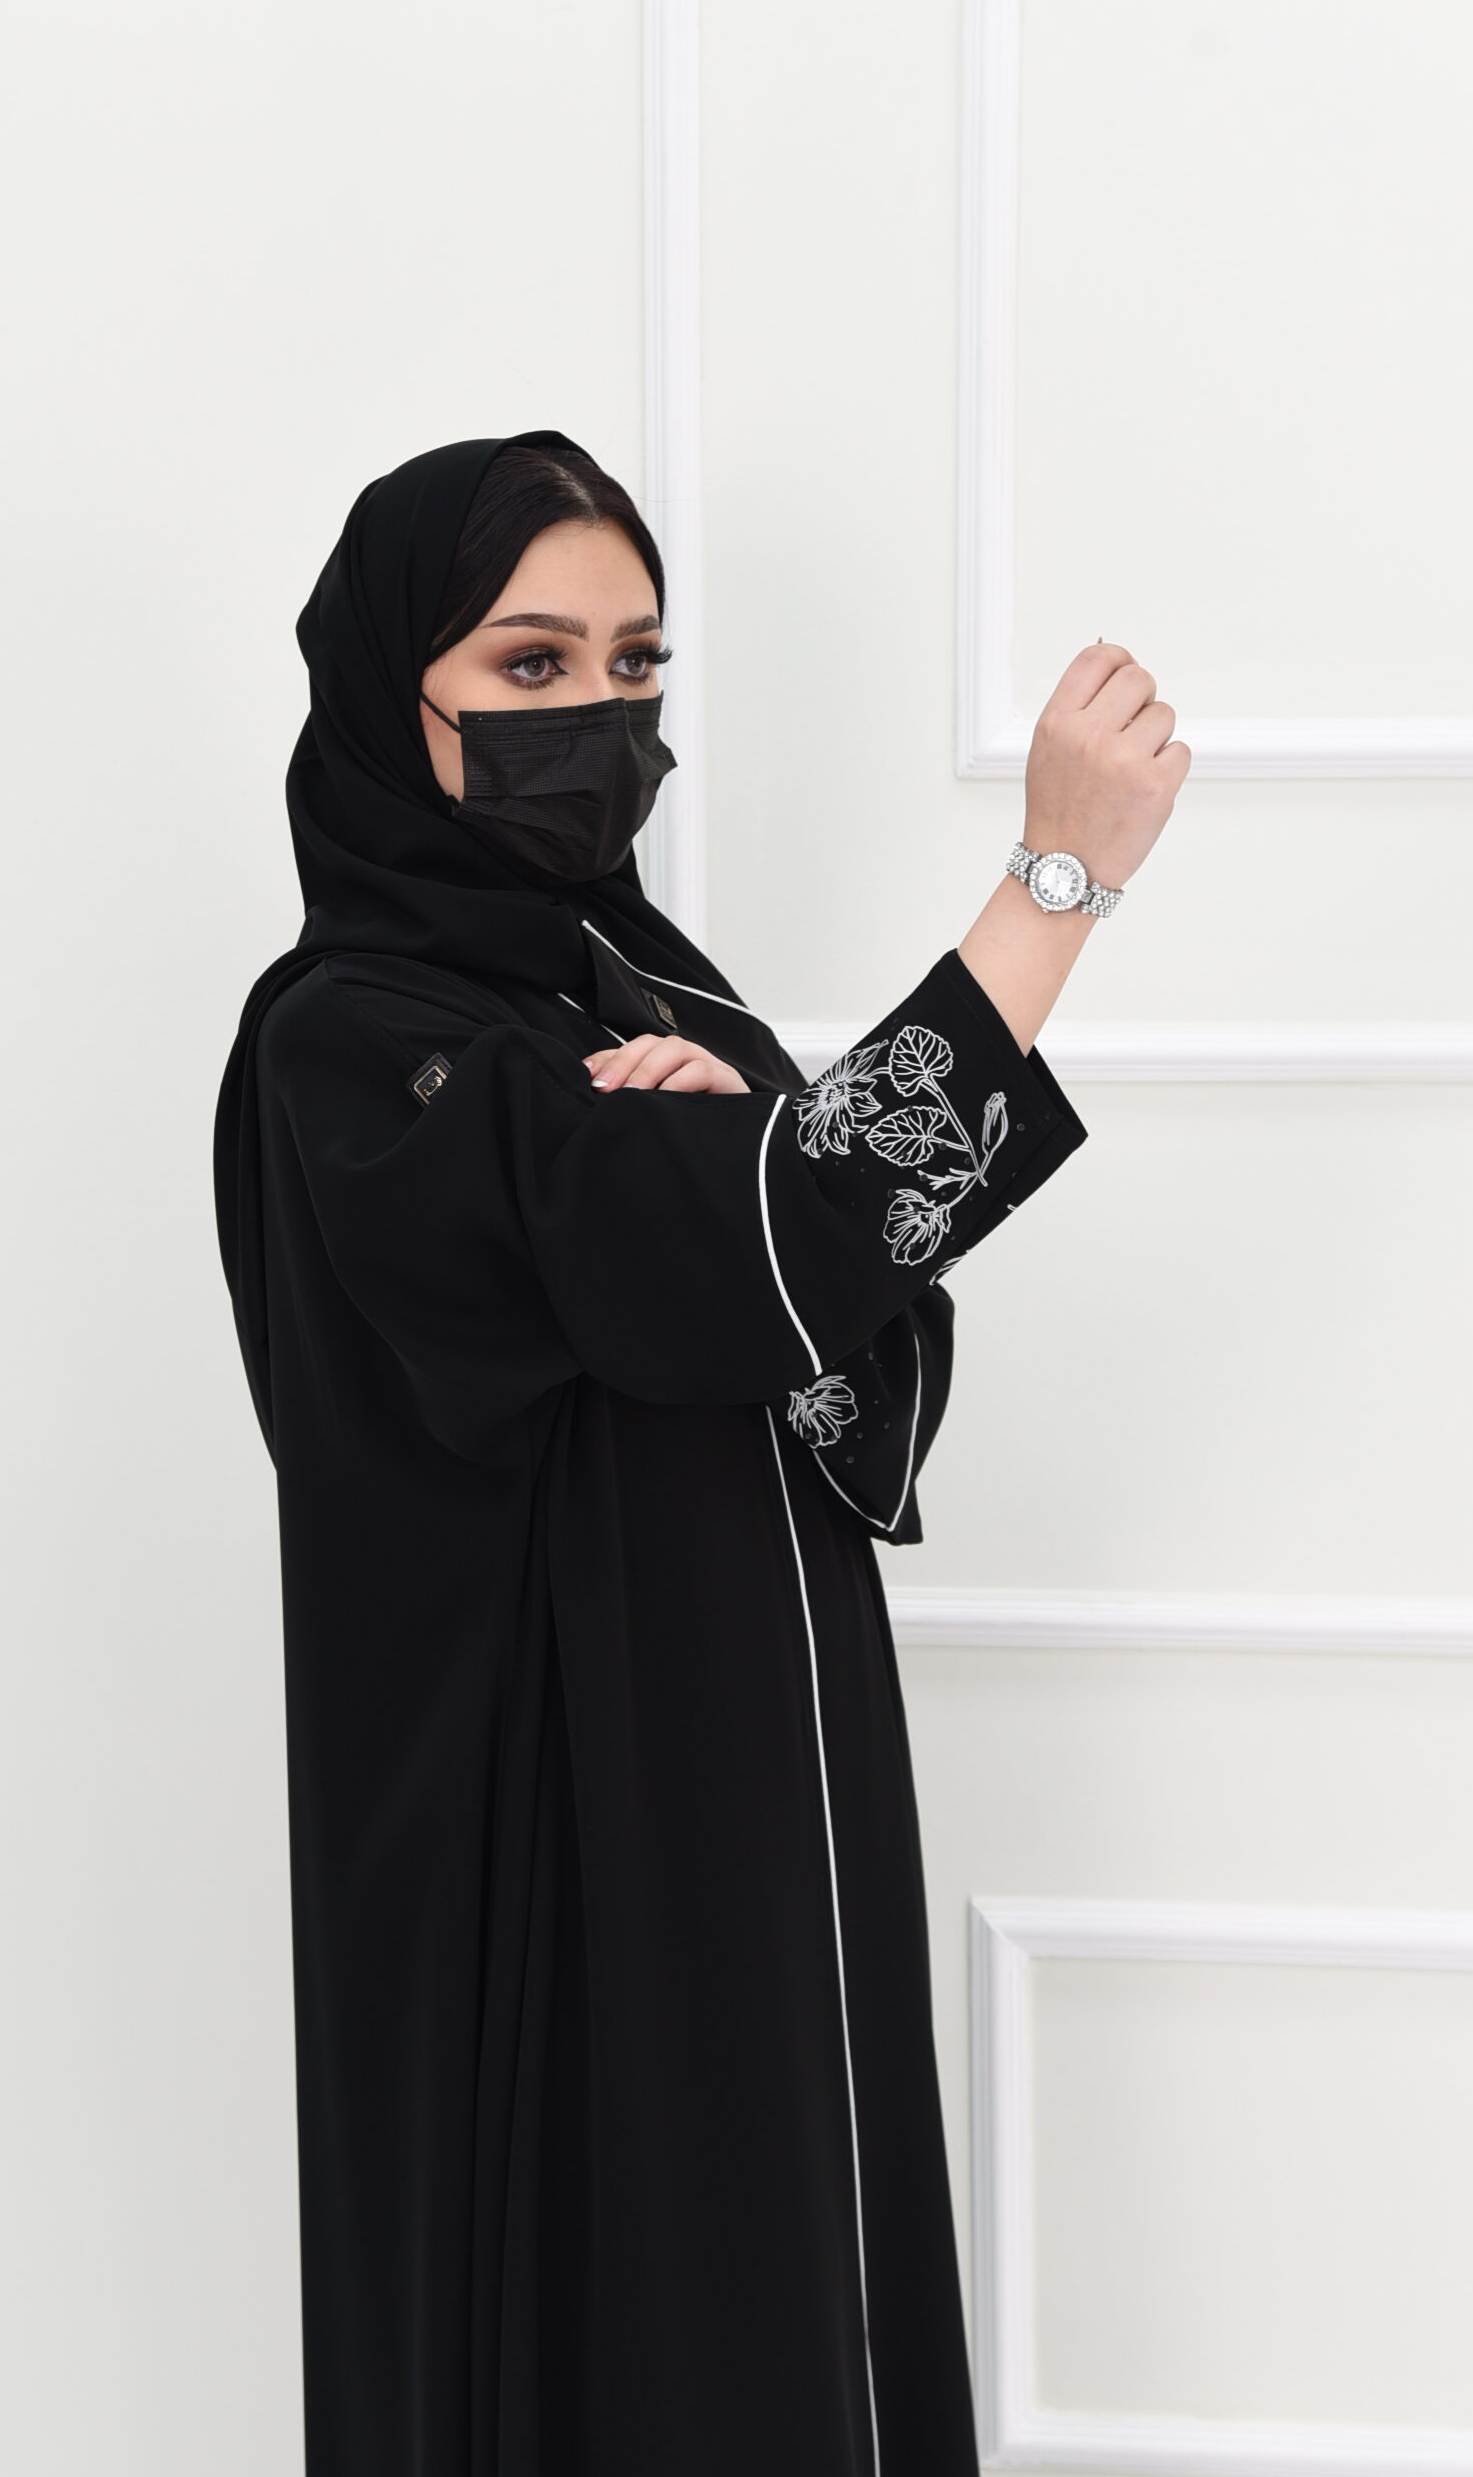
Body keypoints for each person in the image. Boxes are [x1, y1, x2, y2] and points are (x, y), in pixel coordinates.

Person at [213, 428, 1186, 2476]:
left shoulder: (648, 988)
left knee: (782, 2287)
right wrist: (1053, 885)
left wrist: (737, 1141)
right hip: (546, 1821)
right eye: (532, 665)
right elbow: (754, 1256)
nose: (602, 714)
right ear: (393, 691)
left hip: (762, 1781)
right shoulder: (346, 1040)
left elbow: (845, 1317)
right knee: (599, 2311)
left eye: (636, 663)